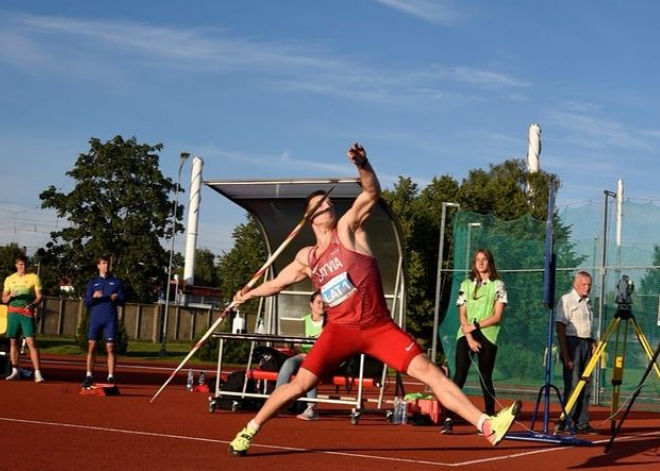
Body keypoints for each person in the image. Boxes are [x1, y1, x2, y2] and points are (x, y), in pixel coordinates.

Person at [228, 142, 521, 456]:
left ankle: (486, 425)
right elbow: (276, 284)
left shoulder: (346, 229)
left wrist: (363, 165)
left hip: (378, 327)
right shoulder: (307, 257)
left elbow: (371, 193)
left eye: (328, 204)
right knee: (297, 385)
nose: (328, 208)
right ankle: (249, 430)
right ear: (310, 217)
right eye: (321, 206)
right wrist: (246, 294)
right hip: (338, 331)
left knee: (431, 374)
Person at [442, 248, 507, 434]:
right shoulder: (466, 284)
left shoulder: (499, 285)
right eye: (478, 260)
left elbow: (497, 316)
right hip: (466, 334)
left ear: (489, 263)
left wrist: (476, 326)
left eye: (484, 260)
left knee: (485, 377)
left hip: (487, 334)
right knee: (459, 375)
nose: (480, 263)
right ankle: (448, 418)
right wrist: (469, 336)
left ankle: (489, 419)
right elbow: (462, 315)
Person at [556, 270, 597, 434]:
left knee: (586, 384)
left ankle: (582, 422)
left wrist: (592, 342)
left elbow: (588, 326)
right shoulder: (566, 300)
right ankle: (566, 421)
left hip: (586, 343)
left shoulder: (587, 303)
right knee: (573, 385)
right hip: (573, 343)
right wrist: (566, 355)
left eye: (589, 285)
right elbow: (560, 327)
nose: (586, 288)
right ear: (576, 284)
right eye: (583, 285)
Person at [275, 290, 326, 421]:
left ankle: (312, 408)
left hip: (322, 359)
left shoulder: (331, 323)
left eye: (324, 302)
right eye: (318, 302)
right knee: (288, 363)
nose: (322, 305)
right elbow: (291, 346)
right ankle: (276, 401)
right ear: (311, 304)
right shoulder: (302, 321)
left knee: (310, 366)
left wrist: (311, 356)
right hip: (302, 355)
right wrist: (293, 345)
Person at [81, 255, 125, 387]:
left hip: (110, 319)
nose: (106, 266)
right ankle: (89, 375)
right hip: (96, 318)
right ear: (98, 266)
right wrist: (94, 296)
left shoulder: (117, 282)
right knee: (91, 346)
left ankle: (111, 376)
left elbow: (122, 301)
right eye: (103, 264)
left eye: (107, 264)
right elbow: (87, 302)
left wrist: (116, 298)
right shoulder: (93, 283)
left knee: (110, 347)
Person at [2, 253, 45, 382]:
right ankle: (15, 371)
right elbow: (4, 299)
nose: (23, 267)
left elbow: (40, 297)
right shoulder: (10, 279)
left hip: (27, 313)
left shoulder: (33, 277)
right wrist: (11, 296)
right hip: (13, 312)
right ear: (16, 265)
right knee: (13, 342)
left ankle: (38, 373)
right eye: (21, 264)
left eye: (25, 264)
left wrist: (33, 305)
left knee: (31, 342)